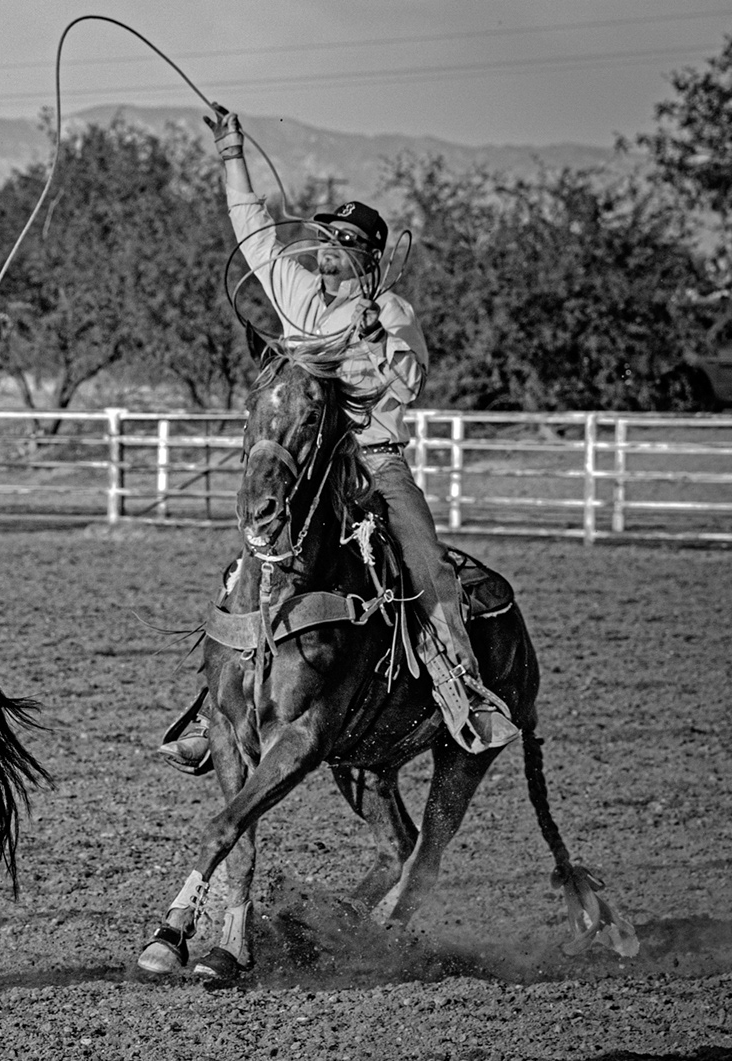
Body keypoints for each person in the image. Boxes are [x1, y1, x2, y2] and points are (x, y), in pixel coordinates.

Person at [159, 113, 519, 772]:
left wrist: (380, 336)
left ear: (369, 257)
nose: (329, 250)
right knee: (249, 563)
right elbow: (253, 231)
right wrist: (231, 151)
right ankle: (219, 703)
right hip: (304, 462)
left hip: (372, 464)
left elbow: (404, 381)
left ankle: (464, 691)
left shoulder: (394, 315)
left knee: (424, 565)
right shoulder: (297, 292)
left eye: (346, 242)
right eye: (326, 237)